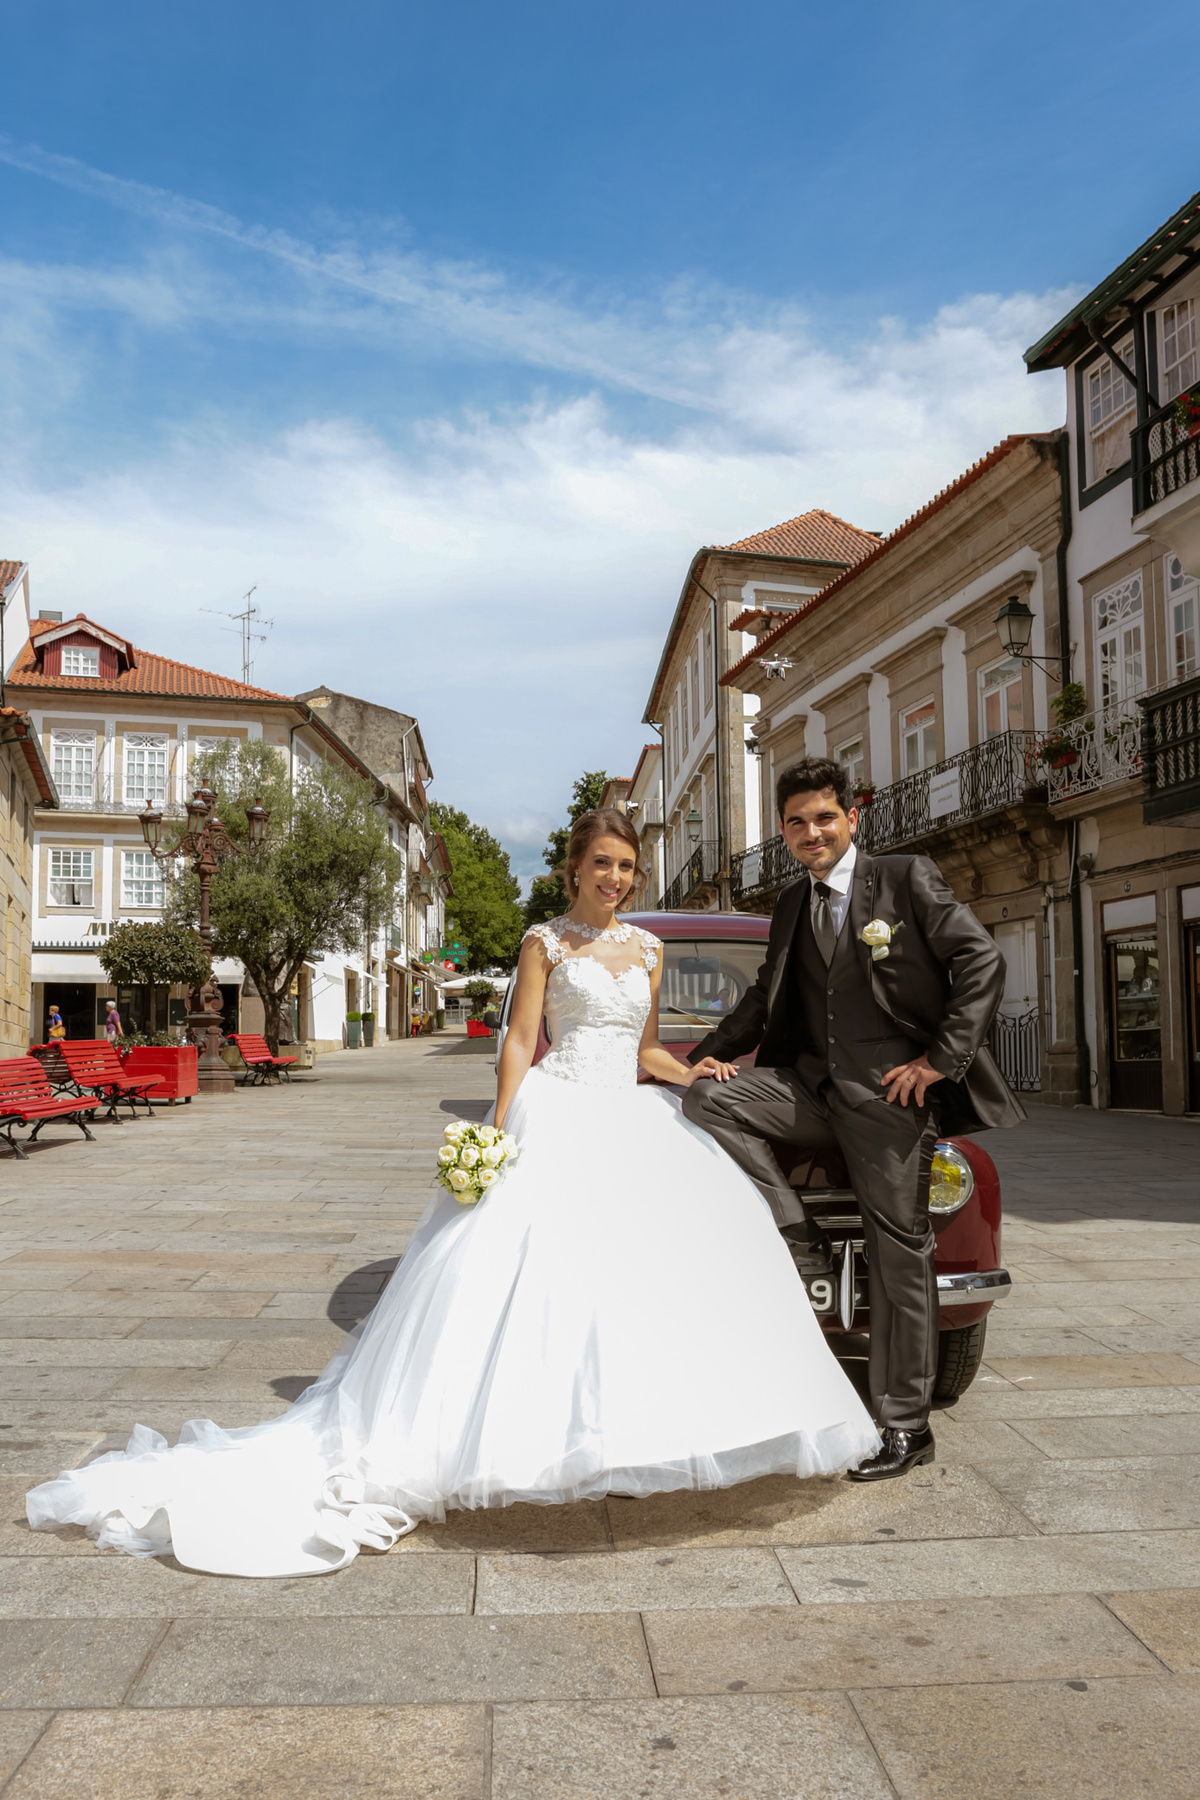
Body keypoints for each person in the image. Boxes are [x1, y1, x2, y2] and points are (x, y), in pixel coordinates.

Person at [26, 806, 879, 1577]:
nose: (615, 879)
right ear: (574, 869)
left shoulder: (648, 951)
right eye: (602, 865)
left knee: (641, 1279)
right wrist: (499, 1128)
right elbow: (520, 1040)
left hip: (631, 1115)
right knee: (523, 1280)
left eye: (626, 867)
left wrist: (698, 1071)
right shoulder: (545, 943)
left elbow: (647, 1049)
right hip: (556, 1111)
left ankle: (630, 1434)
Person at [683, 757, 1023, 1481]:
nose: (812, 833)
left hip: (888, 1098)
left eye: (824, 818)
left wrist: (940, 1060)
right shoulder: (790, 904)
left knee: (900, 1251)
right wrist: (704, 1058)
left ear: (851, 819)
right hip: (811, 1090)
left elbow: (981, 960)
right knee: (710, 1099)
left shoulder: (904, 879)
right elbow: (764, 998)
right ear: (783, 831)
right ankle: (797, 1231)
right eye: (797, 823)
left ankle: (905, 1426)